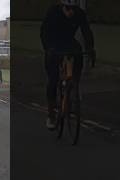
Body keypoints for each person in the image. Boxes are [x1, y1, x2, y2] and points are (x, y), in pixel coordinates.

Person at [40, 0, 96, 130]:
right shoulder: (53, 12)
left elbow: (86, 31)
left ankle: (74, 84)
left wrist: (91, 48)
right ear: (62, 6)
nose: (71, 12)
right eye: (68, 8)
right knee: (53, 79)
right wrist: (48, 48)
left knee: (78, 53)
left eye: (73, 9)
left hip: (69, 41)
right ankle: (51, 114)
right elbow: (44, 32)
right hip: (53, 43)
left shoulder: (79, 13)